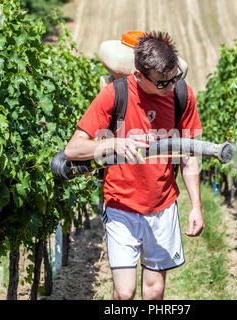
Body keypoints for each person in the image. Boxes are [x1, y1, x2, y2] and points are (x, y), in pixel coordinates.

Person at [64, 31, 203, 300]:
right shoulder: (114, 94)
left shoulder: (182, 96)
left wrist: (196, 206)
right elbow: (73, 149)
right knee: (124, 293)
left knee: (154, 293)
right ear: (138, 76)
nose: (170, 86)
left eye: (174, 78)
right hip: (121, 206)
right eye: (163, 83)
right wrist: (110, 144)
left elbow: (189, 155)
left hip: (162, 206)